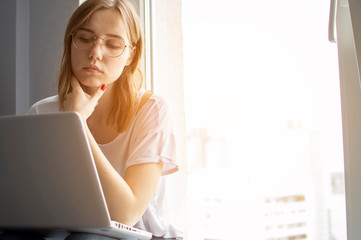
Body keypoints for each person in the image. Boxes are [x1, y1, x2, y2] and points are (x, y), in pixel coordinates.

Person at [0, 0, 182, 239]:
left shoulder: (152, 109)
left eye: (113, 44)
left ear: (131, 54)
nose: (95, 53)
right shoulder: (41, 112)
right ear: (70, 43)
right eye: (85, 39)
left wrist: (77, 123)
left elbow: (127, 214)